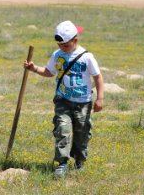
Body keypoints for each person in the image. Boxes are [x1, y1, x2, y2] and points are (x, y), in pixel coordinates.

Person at [24, 20, 104, 178]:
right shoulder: (57, 55)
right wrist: (33, 68)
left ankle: (79, 161)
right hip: (63, 100)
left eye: (66, 45)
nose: (63, 49)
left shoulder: (86, 57)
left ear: (75, 40)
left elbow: (98, 77)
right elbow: (49, 72)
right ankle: (61, 164)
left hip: (83, 103)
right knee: (62, 130)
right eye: (60, 45)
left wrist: (100, 98)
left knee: (82, 132)